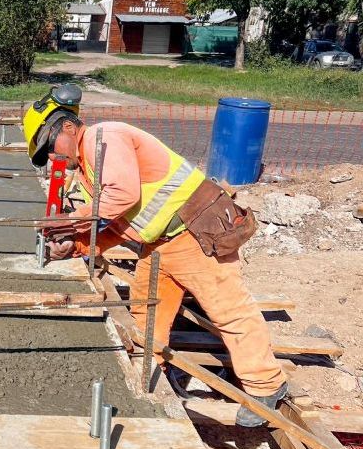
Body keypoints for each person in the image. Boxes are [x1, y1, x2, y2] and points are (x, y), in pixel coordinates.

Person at [23, 85, 287, 427]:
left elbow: (123, 195)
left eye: (50, 147)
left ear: (69, 127)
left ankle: (267, 385)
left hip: (194, 231)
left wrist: (72, 220)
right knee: (147, 317)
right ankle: (151, 378)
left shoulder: (104, 138)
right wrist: (76, 245)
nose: (54, 158)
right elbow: (117, 223)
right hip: (159, 244)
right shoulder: (88, 170)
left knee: (228, 310)